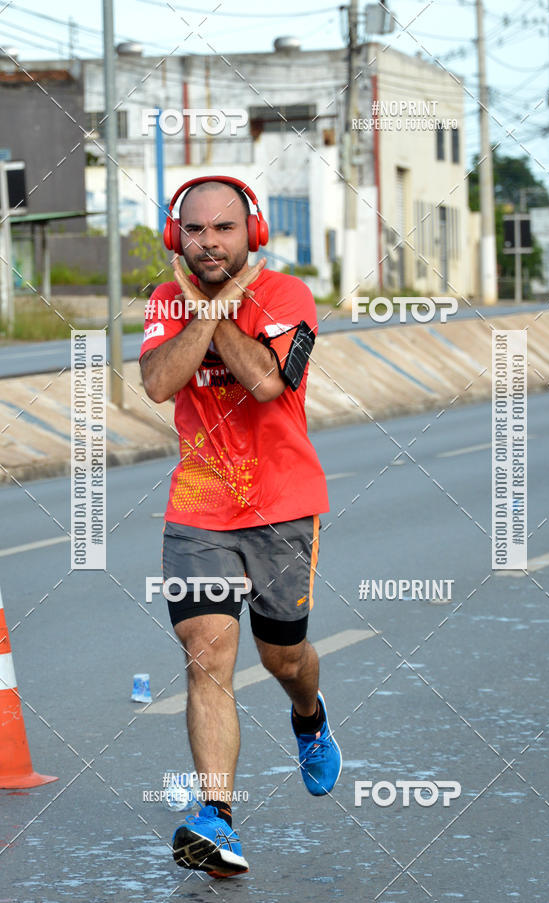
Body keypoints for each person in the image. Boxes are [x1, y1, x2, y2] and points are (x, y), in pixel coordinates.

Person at [139, 176, 342, 878]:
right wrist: (202, 311)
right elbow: (161, 381)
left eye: (223, 228)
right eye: (194, 230)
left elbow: (265, 381)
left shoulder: (288, 298)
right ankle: (215, 818)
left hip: (283, 501)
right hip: (198, 507)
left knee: (282, 657)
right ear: (176, 237)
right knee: (206, 654)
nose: (208, 242)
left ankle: (309, 715)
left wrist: (219, 309)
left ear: (251, 233)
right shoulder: (166, 300)